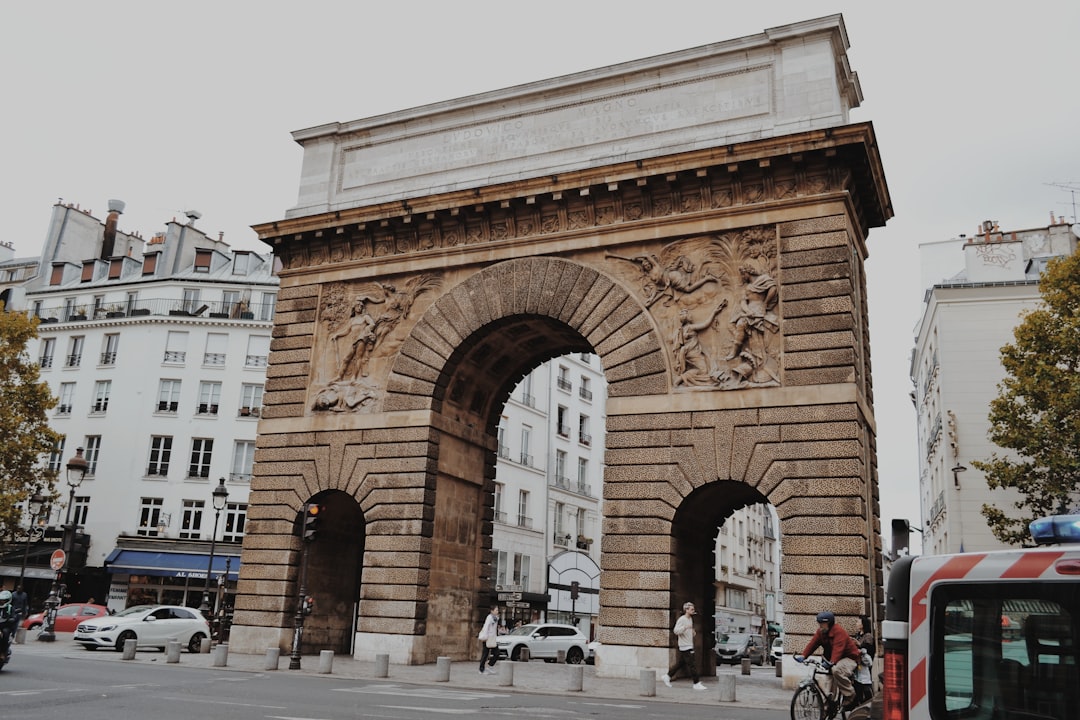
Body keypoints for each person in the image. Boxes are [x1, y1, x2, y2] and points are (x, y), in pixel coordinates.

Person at [796, 611, 862, 711]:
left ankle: (850, 695)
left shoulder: (839, 632)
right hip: (833, 660)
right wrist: (804, 656)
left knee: (836, 670)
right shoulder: (821, 632)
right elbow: (813, 644)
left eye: (823, 624)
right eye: (819, 624)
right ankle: (828, 707)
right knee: (828, 685)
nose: (820, 626)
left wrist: (832, 662)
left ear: (829, 623)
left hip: (850, 658)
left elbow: (838, 649)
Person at [662, 602, 707, 690]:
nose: (693, 611)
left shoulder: (690, 619)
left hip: (689, 644)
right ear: (686, 610)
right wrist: (685, 628)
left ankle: (667, 676)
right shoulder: (682, 619)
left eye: (693, 609)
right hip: (685, 645)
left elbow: (688, 628)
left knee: (681, 663)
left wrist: (692, 631)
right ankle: (696, 683)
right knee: (692, 665)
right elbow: (676, 631)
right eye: (692, 609)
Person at [477, 605, 501, 674]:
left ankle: (490, 665)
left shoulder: (496, 618)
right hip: (487, 638)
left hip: (492, 638)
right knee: (485, 654)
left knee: (497, 653)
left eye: (497, 610)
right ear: (492, 611)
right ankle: (481, 669)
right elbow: (486, 627)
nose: (497, 611)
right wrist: (485, 637)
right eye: (496, 610)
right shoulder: (489, 618)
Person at [0, 590, 15, 664]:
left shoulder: (10, 608)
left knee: (5, 633)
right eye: (1, 600)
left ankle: (2, 652)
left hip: (4, 626)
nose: (2, 602)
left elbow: (13, 616)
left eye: (3, 600)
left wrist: (11, 619)